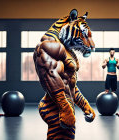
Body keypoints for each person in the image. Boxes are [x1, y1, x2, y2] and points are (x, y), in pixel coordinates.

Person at [34, 9, 95, 139]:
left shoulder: (65, 50)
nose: (91, 45)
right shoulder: (48, 46)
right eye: (83, 35)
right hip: (55, 107)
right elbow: (50, 77)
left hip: (65, 106)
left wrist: (85, 105)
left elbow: (69, 83)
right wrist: (65, 108)